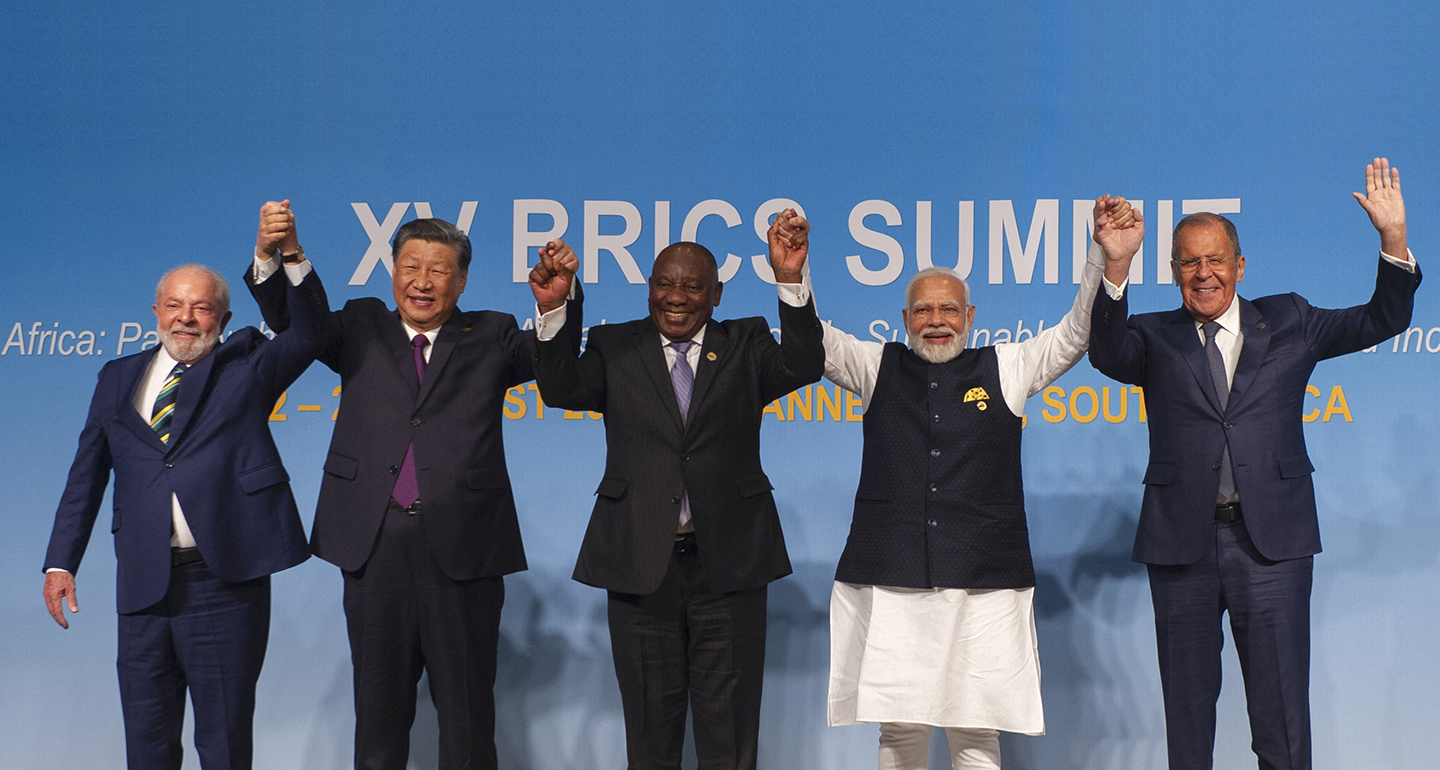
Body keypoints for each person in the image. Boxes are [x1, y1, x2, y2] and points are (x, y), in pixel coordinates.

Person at [1088, 159, 1420, 770]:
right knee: (1188, 719)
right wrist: (1114, 264)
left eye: (1216, 260)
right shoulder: (1152, 335)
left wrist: (1393, 239)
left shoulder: (1291, 319)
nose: (1204, 273)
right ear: (1174, 271)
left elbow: (1383, 318)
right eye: (1189, 262)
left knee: (1281, 717)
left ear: (1240, 266)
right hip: (1181, 548)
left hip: (1272, 546)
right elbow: (1106, 353)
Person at [821, 196, 1141, 770]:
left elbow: (1076, 333)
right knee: (900, 728)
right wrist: (792, 278)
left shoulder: (1009, 367)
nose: (936, 320)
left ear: (970, 316)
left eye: (948, 309)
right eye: (923, 310)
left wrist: (1106, 258)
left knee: (975, 730)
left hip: (985, 584)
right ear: (904, 319)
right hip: (893, 580)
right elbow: (811, 343)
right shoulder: (874, 367)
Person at [245, 212, 573, 770]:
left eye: (438, 271)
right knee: (378, 725)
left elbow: (557, 370)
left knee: (467, 725)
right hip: (374, 548)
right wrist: (285, 255)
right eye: (410, 266)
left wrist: (554, 307)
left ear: (461, 281)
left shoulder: (492, 334)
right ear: (393, 271)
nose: (422, 281)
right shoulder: (359, 325)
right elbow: (296, 323)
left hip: (464, 551)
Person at [527, 209, 824, 770]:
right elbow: (560, 388)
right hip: (640, 564)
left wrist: (790, 278)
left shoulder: (746, 342)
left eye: (692, 287)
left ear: (717, 294)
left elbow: (805, 364)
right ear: (649, 289)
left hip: (729, 566)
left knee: (729, 739)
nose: (676, 297)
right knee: (649, 738)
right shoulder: (615, 345)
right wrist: (555, 309)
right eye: (665, 284)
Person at [41, 203, 326, 769]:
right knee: (146, 742)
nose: (186, 319)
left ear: (222, 317)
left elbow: (313, 333)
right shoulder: (116, 377)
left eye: (201, 307)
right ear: (155, 311)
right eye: (174, 305)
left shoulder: (246, 366)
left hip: (223, 581)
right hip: (143, 582)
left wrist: (284, 254)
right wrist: (60, 562)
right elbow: (86, 474)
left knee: (223, 744)